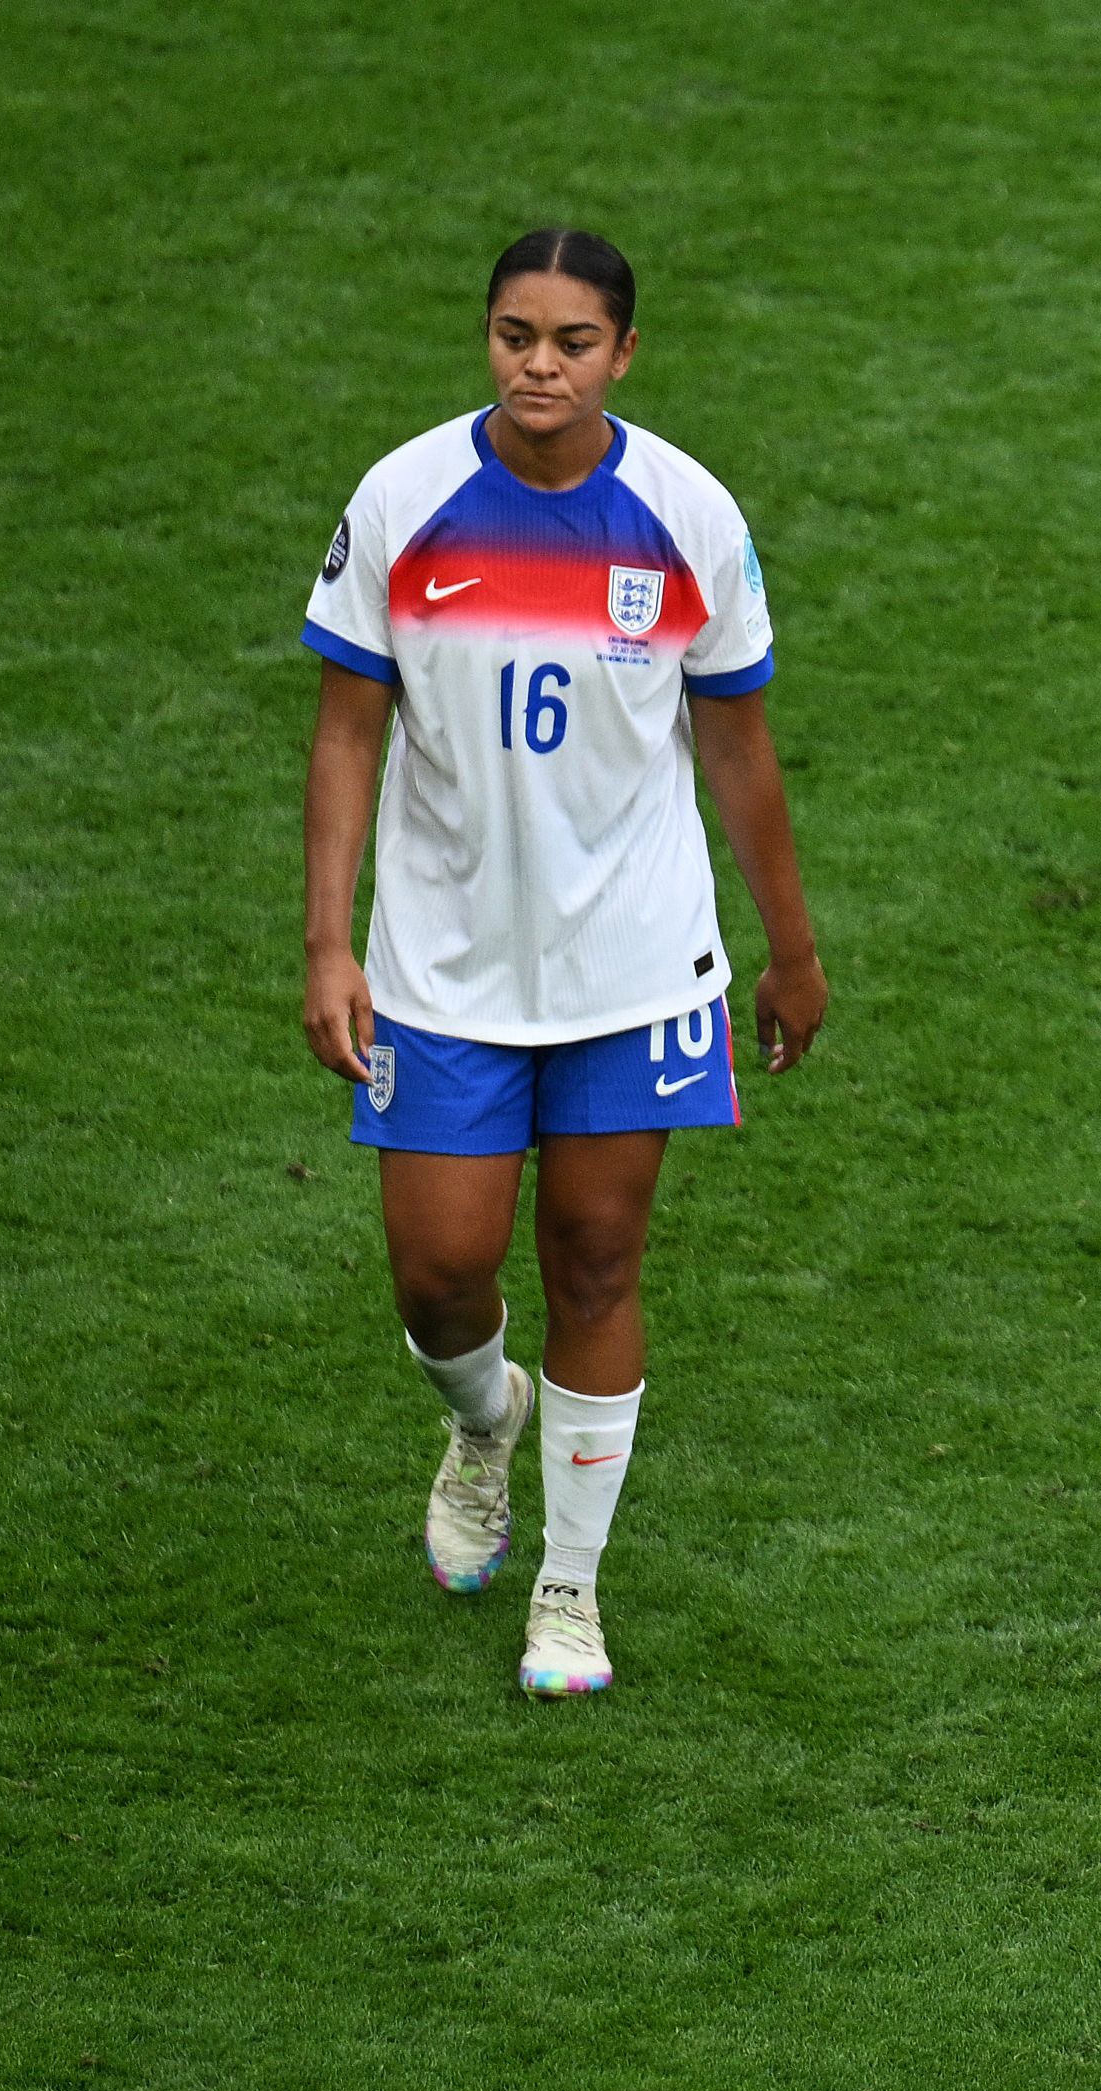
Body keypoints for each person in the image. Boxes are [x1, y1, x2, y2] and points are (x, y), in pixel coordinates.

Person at [295, 227, 824, 1699]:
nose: (539, 363)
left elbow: (737, 745)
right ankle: (483, 1423)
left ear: (624, 356)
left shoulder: (685, 515)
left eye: (572, 340)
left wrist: (790, 952)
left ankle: (571, 1591)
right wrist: (330, 941)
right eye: (515, 334)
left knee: (598, 1254)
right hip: (444, 967)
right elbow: (347, 732)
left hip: (636, 966)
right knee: (440, 1272)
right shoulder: (405, 503)